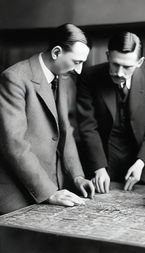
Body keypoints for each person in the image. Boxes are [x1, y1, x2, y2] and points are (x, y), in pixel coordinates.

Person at [0, 23, 95, 214]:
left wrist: (77, 175)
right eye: (76, 62)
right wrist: (49, 192)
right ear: (56, 52)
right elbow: (14, 144)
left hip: (52, 188)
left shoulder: (62, 78)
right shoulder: (14, 78)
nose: (79, 70)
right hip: (18, 194)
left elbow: (65, 130)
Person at [77, 31, 145, 193]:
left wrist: (140, 162)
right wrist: (98, 167)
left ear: (139, 62)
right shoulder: (89, 76)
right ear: (107, 56)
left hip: (141, 164)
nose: (119, 73)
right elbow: (87, 125)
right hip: (101, 163)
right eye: (115, 64)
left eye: (127, 67)